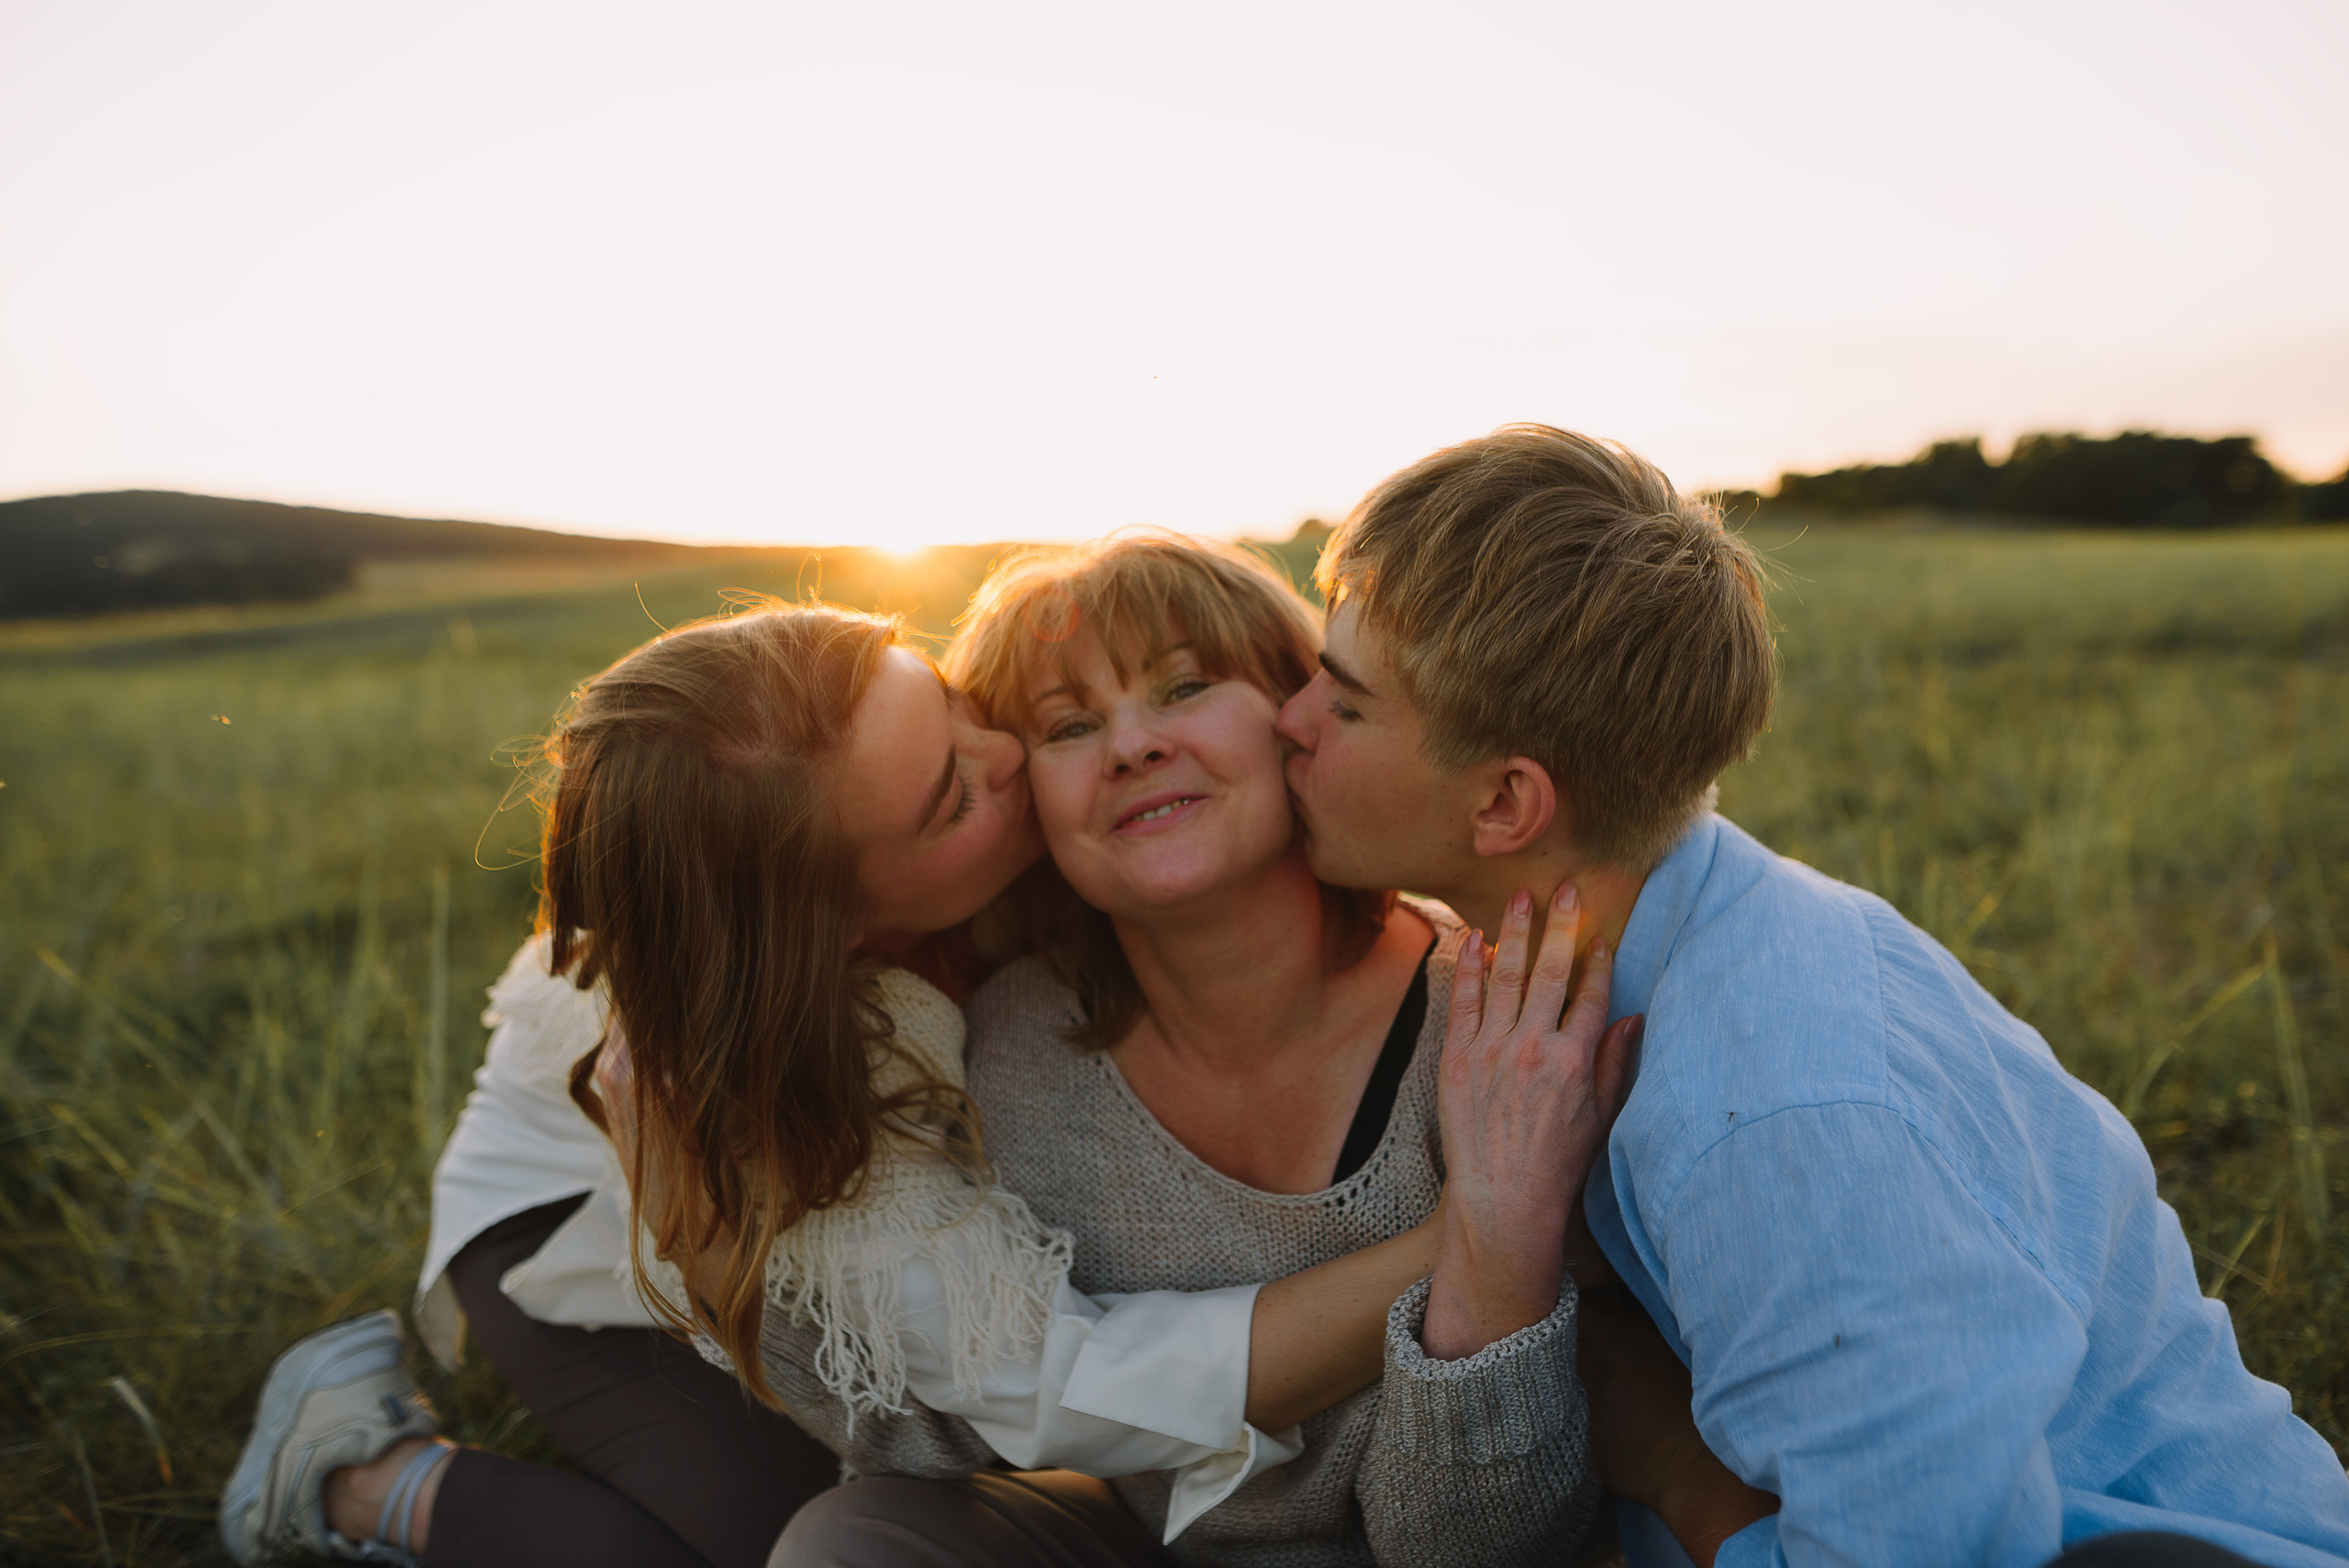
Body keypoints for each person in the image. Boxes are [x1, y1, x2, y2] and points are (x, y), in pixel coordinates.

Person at [1271, 423, 2349, 1567]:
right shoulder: (1649, 938)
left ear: (1505, 807)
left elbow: (1921, 1550)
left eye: (1343, 705)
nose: (1287, 718)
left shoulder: (1778, 1113)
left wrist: (1681, 1473)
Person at [220, 598, 1479, 1568]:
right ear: (845, 931)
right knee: (776, 1540)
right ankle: (356, 1469)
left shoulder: (873, 772)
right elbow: (1062, 1389)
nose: (1003, 754)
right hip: (584, 1236)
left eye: (945, 704)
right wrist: (1485, 1246)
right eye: (949, 799)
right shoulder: (802, 1057)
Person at [770, 533, 1633, 1567]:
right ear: (1030, 799)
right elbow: (912, 1416)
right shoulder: (998, 1054)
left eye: (1183, 688)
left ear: (1303, 716)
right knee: (852, 1538)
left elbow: (1469, 1545)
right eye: (1069, 725)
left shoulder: (1493, 1023)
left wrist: (1502, 1251)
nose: (1130, 745)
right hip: (1143, 1551)